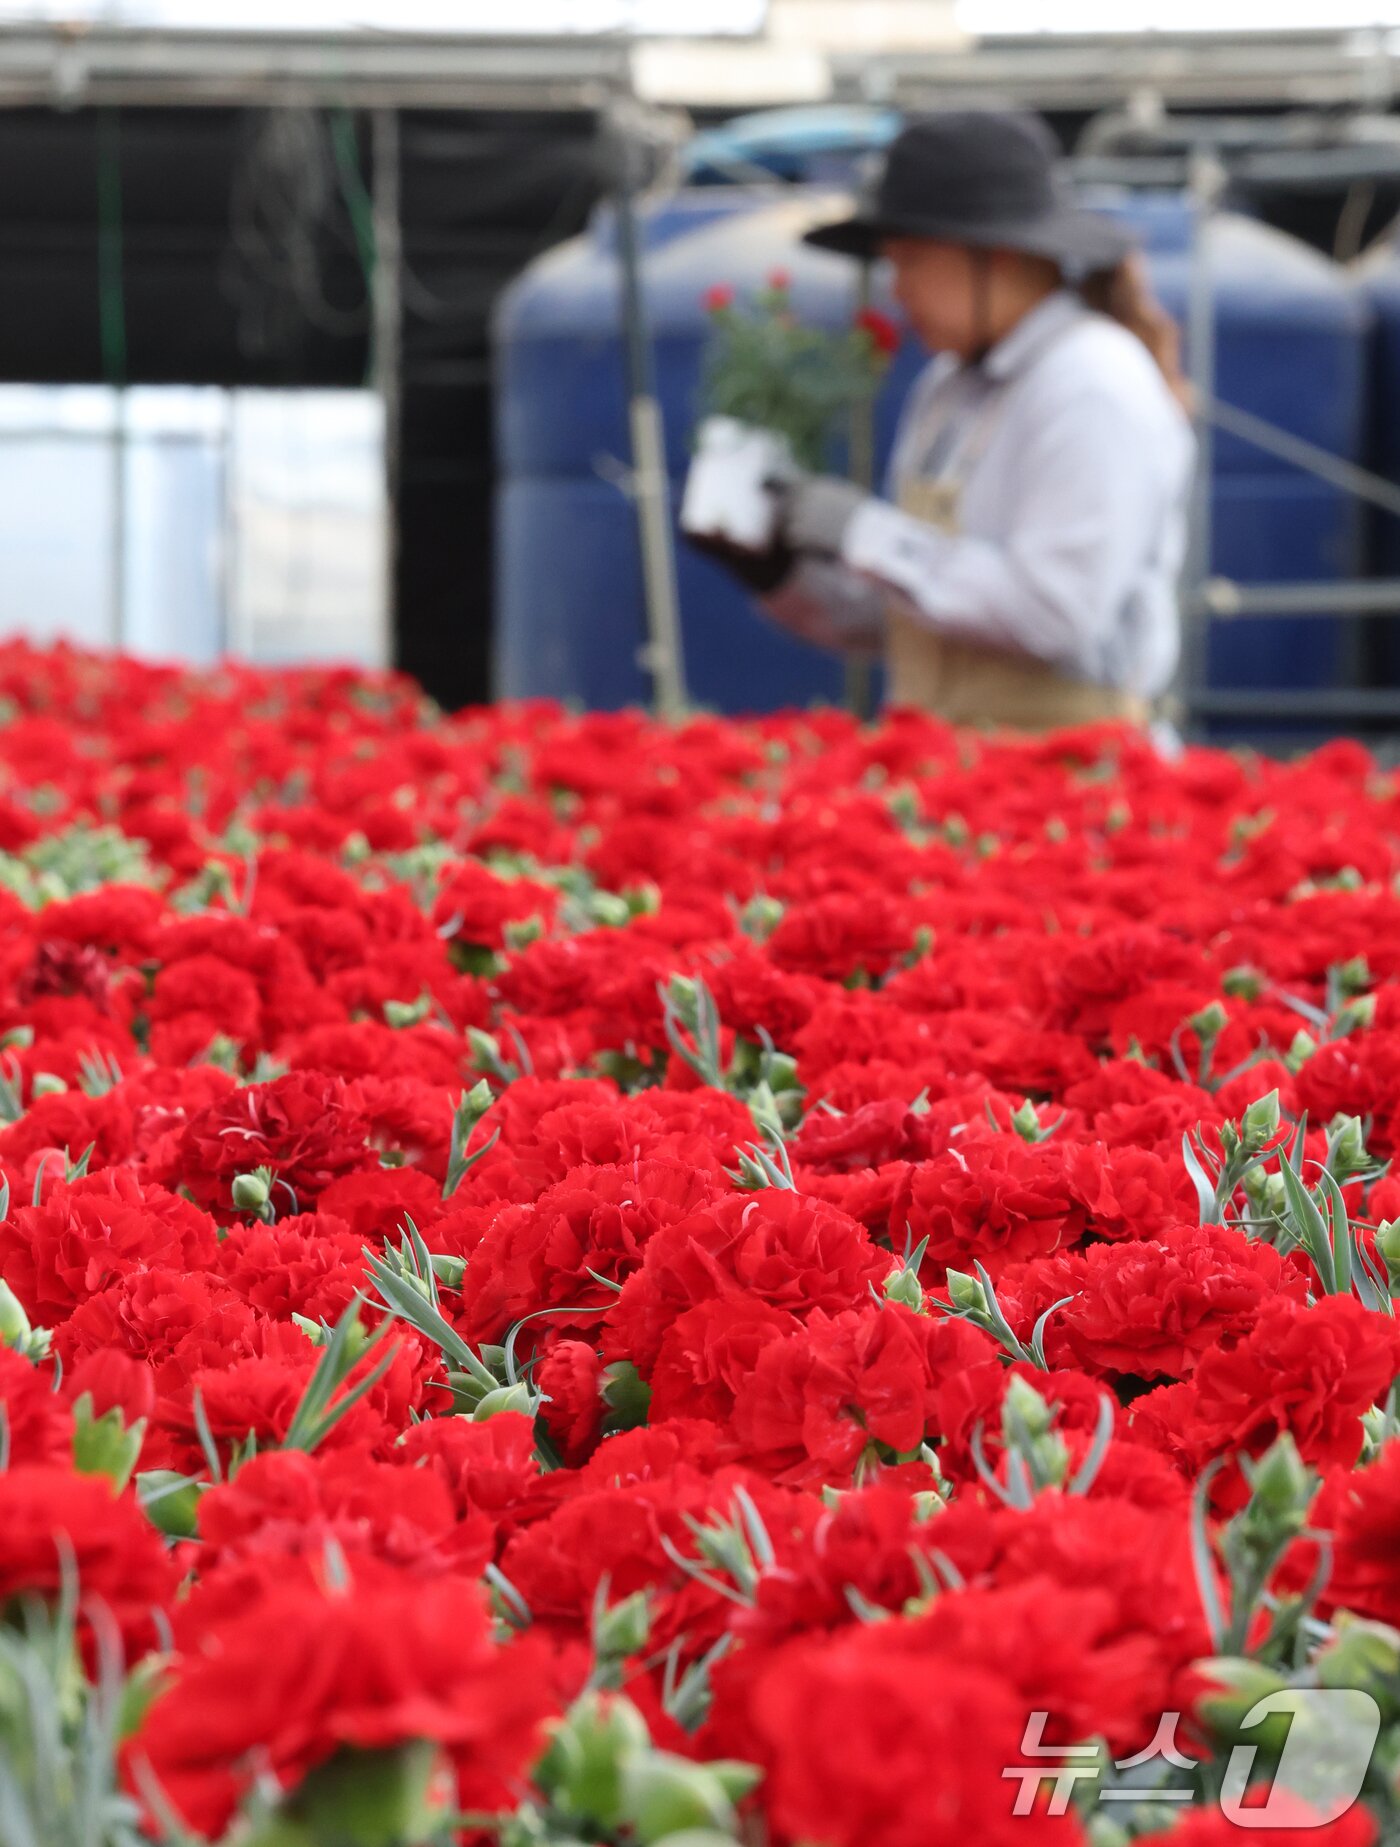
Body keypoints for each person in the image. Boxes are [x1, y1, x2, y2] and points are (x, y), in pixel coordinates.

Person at [698, 110, 1197, 732]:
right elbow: (912, 617)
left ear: (999, 257)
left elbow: (1055, 613)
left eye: (910, 261)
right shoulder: (948, 387)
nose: (896, 290)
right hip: (948, 760)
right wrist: (775, 567)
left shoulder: (1090, 383)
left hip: (1070, 766)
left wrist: (862, 532)